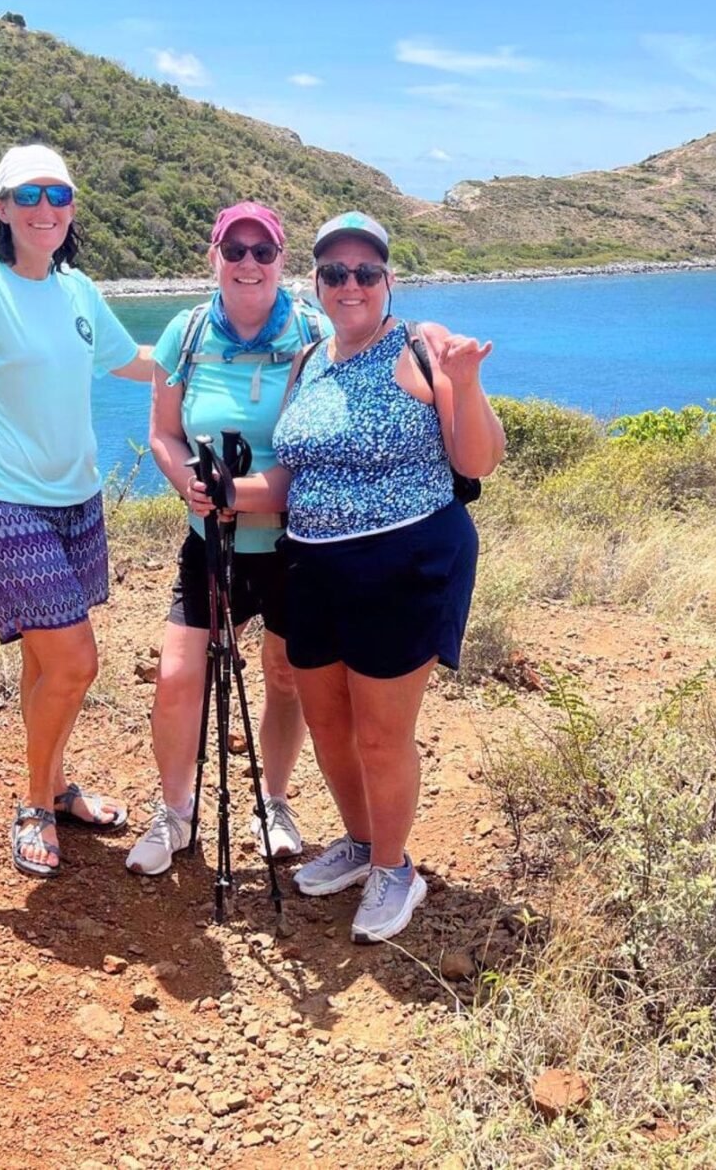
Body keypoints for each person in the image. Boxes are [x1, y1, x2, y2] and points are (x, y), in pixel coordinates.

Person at [218, 211, 506, 942]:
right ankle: (358, 840)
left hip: (405, 562)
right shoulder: (308, 361)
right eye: (335, 273)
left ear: (388, 281)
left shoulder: (420, 352)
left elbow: (477, 461)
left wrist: (466, 384)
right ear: (316, 283)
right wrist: (230, 492)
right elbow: (290, 475)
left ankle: (393, 870)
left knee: (382, 735)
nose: (351, 284)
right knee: (328, 722)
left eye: (366, 272)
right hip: (312, 562)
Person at [0, 143, 154, 879]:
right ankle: (34, 805)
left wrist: (227, 347)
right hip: (2, 500)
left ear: (72, 208)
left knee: (43, 660)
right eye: (28, 197)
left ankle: (54, 784)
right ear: (1, 209)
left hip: (75, 498)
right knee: (77, 662)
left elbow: (132, 361)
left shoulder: (77, 290)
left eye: (58, 195)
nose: (45, 209)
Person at [127, 202, 326, 876]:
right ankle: (176, 813)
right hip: (208, 543)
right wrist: (188, 479)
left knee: (285, 678)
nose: (248, 264)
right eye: (234, 251)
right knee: (179, 679)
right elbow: (163, 429)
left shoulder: (313, 333)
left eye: (262, 252)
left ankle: (273, 801)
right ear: (212, 257)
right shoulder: (185, 333)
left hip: (295, 547)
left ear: (282, 261)